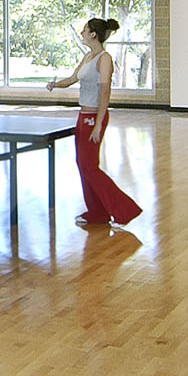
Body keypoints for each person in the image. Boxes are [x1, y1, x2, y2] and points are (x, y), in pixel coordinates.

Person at [48, 17, 143, 227]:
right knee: (82, 165)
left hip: (94, 117)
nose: (82, 33)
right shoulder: (87, 57)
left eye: (84, 30)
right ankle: (97, 212)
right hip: (82, 116)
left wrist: (99, 123)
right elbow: (73, 78)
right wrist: (55, 84)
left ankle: (125, 210)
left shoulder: (104, 58)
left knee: (90, 166)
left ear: (93, 34)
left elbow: (105, 91)